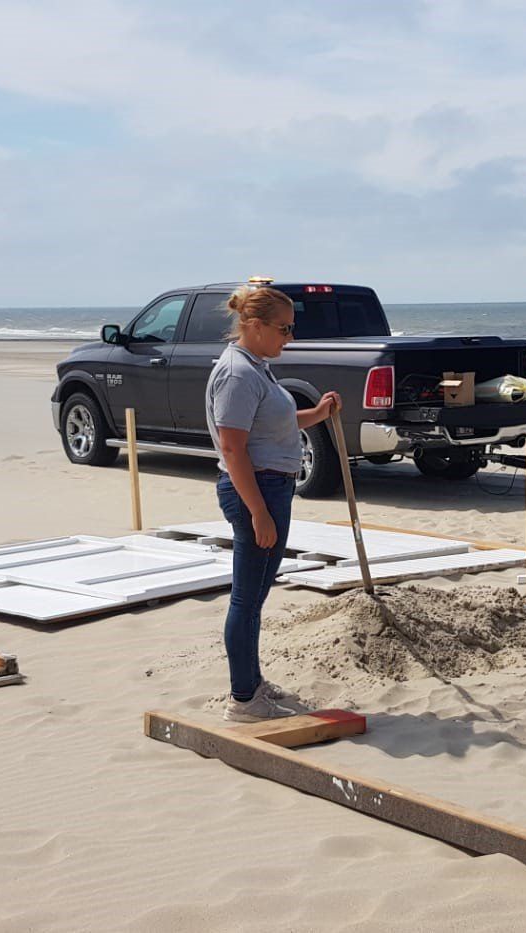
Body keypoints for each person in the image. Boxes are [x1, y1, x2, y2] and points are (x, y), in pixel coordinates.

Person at [206, 282, 340, 722]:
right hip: (256, 490)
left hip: (270, 486)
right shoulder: (237, 374)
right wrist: (258, 512)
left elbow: (272, 423)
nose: (290, 337)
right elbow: (233, 448)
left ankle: (252, 683)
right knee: (246, 599)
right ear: (254, 325)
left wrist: (317, 414)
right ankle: (244, 699)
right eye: (284, 329)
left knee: (255, 597)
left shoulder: (255, 367)